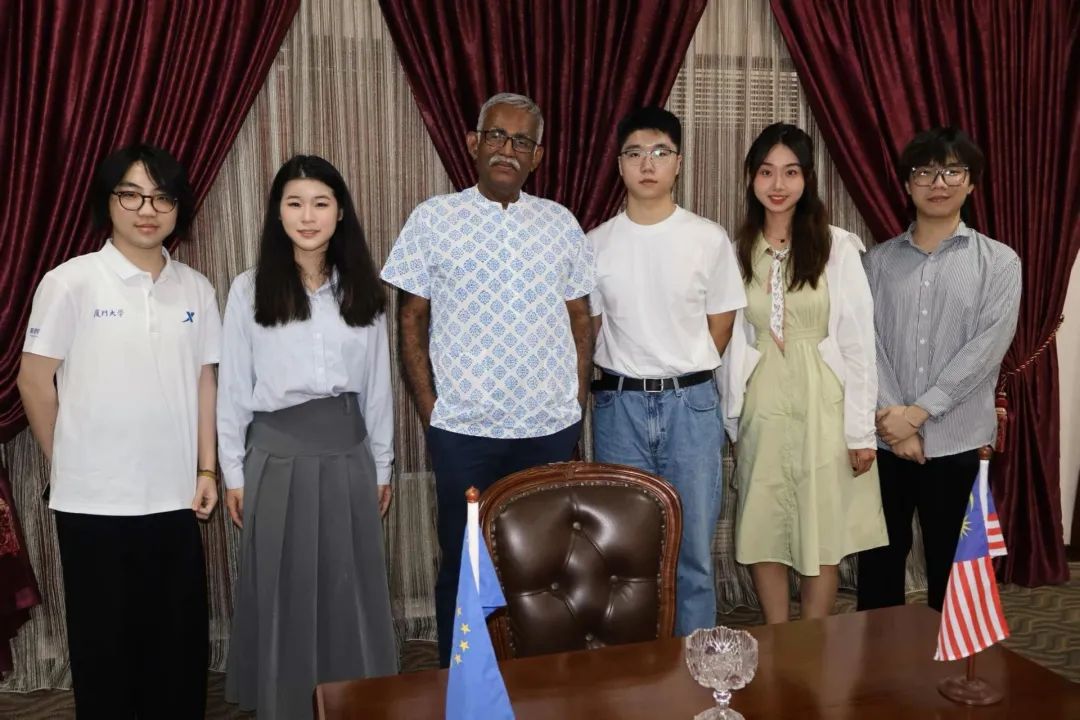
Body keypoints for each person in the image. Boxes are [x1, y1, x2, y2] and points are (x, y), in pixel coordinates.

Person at [380, 92, 594, 666]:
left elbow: (581, 318)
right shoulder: (433, 219)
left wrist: (573, 405)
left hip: (547, 430)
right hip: (464, 432)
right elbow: (410, 318)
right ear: (474, 143)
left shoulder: (560, 223)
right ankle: (465, 683)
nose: (507, 149)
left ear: (537, 156)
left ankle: (541, 681)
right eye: (497, 135)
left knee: (545, 564)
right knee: (466, 565)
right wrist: (432, 412)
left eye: (521, 141)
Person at [18, 144, 219, 718]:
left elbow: (205, 381)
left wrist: (207, 468)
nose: (146, 209)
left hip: (174, 496)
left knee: (177, 644)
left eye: (161, 197)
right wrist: (69, 459)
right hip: (93, 502)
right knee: (105, 647)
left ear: (179, 207)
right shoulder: (71, 282)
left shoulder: (196, 289)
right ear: (107, 203)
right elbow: (34, 381)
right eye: (131, 195)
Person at [218, 155, 398, 718]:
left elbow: (378, 388)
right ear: (278, 213)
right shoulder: (249, 290)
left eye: (320, 203)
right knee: (283, 586)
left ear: (340, 212)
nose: (307, 216)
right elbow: (233, 388)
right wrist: (233, 472)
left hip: (348, 454)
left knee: (349, 585)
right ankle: (284, 702)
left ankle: (353, 701)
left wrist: (383, 465)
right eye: (294, 203)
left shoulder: (362, 289)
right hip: (275, 456)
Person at [721, 123, 888, 624]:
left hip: (823, 397)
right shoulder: (736, 249)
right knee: (763, 522)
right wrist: (733, 420)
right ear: (751, 177)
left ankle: (814, 642)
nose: (778, 184)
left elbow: (859, 344)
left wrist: (861, 433)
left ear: (807, 179)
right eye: (766, 172)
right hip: (763, 396)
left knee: (822, 529)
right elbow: (731, 343)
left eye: (790, 172)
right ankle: (777, 636)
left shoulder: (837, 247)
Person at [588, 107, 745, 635]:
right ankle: (636, 666)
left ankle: (695, 660)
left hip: (690, 407)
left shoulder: (707, 238)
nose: (647, 164)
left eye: (660, 152)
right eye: (634, 153)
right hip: (619, 408)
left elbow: (720, 325)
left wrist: (678, 373)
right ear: (619, 165)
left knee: (692, 550)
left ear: (678, 162)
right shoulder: (596, 243)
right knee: (625, 548)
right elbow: (590, 328)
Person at [857, 127, 1021, 612]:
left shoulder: (999, 262)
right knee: (879, 566)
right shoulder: (877, 263)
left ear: (971, 183)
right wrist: (896, 419)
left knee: (954, 573)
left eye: (952, 171)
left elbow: (986, 350)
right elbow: (864, 344)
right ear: (907, 184)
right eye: (925, 172)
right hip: (887, 439)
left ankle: (947, 657)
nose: (938, 183)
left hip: (959, 439)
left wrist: (918, 413)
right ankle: (880, 656)